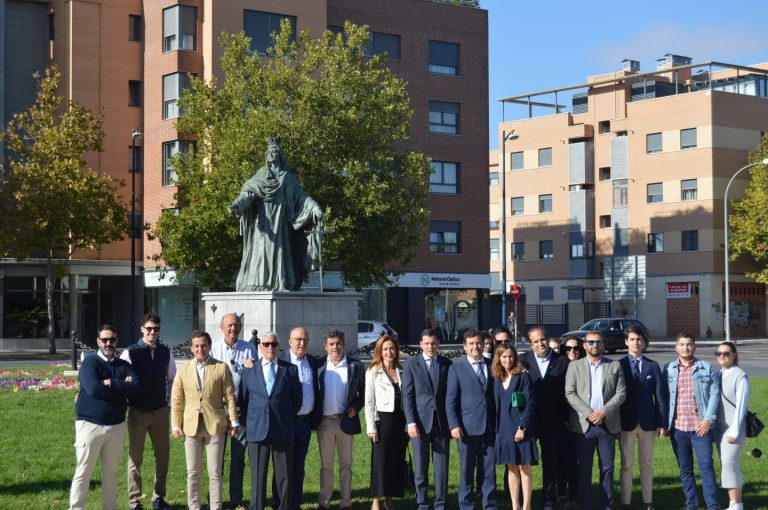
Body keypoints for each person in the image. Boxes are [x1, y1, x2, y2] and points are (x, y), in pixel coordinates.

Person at [229, 136, 323, 292]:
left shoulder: (288, 178)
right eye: (268, 152)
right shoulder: (261, 175)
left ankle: (281, 282)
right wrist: (237, 205)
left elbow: (301, 197)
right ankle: (259, 284)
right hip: (264, 223)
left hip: (282, 224)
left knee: (281, 253)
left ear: (280, 155)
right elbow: (248, 194)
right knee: (262, 252)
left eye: (273, 152)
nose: (270, 154)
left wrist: (314, 207)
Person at [69, 325, 139, 510]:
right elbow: (93, 389)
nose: (109, 343)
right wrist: (121, 388)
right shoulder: (90, 363)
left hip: (116, 426)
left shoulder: (124, 365)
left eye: (112, 340)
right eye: (105, 340)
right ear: (98, 341)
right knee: (84, 471)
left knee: (111, 474)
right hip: (89, 425)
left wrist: (111, 383)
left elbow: (135, 388)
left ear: (117, 341)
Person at [171, 331, 239, 510]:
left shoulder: (221, 367)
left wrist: (234, 422)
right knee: (192, 472)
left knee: (215, 472)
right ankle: (194, 506)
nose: (200, 349)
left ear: (209, 346)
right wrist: (176, 425)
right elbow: (177, 399)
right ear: (191, 348)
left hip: (215, 426)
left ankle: (216, 506)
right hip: (191, 427)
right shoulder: (183, 369)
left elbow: (230, 397)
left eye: (203, 345)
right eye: (196, 346)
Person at [240, 332, 302, 510]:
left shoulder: (290, 370)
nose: (270, 347)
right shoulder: (249, 369)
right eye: (266, 344)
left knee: (284, 476)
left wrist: (285, 416)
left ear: (279, 347)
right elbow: (243, 400)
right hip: (257, 429)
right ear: (260, 347)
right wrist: (252, 419)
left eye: (274, 344)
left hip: (282, 429)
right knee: (258, 477)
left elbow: (297, 400)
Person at [565, 331, 626, 510]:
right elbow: (570, 393)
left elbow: (621, 393)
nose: (595, 345)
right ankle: (586, 505)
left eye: (598, 342)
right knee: (584, 469)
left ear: (604, 345)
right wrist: (589, 413)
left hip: (607, 425)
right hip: (584, 426)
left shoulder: (614, 365)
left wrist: (603, 412)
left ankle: (607, 506)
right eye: (591, 342)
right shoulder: (574, 366)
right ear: (584, 345)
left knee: (607, 468)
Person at [121, 313, 176, 510]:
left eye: (156, 329)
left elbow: (173, 380)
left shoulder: (165, 352)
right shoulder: (130, 353)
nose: (153, 332)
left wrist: (168, 404)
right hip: (138, 411)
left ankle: (158, 498)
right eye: (149, 328)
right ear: (142, 329)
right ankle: (134, 501)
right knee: (135, 458)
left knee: (163, 457)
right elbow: (122, 380)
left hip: (160, 411)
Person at [663, 333, 721, 510]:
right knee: (685, 469)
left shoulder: (705, 367)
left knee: (706, 467)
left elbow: (715, 394)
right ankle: (691, 504)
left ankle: (713, 505)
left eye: (689, 344)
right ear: (676, 347)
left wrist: (708, 420)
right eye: (682, 344)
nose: (685, 347)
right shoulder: (669, 369)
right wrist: (664, 423)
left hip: (701, 428)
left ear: (694, 346)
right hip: (678, 429)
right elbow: (664, 397)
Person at [618, 326, 669, 510]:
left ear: (643, 342)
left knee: (646, 464)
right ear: (626, 342)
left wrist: (662, 423)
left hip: (648, 424)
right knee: (626, 465)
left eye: (638, 339)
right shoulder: (618, 366)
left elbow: (660, 397)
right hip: (626, 424)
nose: (635, 342)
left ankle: (648, 502)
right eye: (632, 339)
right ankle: (625, 502)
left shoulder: (652, 366)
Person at [518, 326, 569, 509]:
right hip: (528, 420)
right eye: (536, 341)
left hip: (554, 421)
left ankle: (548, 500)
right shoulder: (522, 361)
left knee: (551, 463)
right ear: (530, 344)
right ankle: (521, 500)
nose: (541, 343)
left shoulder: (562, 361)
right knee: (522, 462)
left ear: (548, 339)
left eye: (543, 339)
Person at [446, 329, 497, 510]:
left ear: (483, 345)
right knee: (466, 471)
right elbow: (451, 400)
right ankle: (466, 505)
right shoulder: (456, 368)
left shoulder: (493, 364)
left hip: (490, 427)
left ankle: (489, 505)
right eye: (471, 343)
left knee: (489, 471)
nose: (475, 346)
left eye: (478, 343)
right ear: (465, 346)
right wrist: (454, 425)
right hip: (466, 428)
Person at [211, 313, 257, 509]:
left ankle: (236, 499)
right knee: (216, 457)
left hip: (241, 408)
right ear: (221, 327)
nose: (233, 328)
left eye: (236, 325)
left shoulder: (249, 348)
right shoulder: (213, 349)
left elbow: (255, 377)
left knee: (238, 456)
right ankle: (215, 500)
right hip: (218, 408)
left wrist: (251, 367)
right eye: (229, 325)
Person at [315, 330, 365, 510]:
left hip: (346, 421)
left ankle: (346, 502)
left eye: (338, 343)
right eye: (331, 344)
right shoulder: (319, 365)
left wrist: (355, 408)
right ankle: (324, 501)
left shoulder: (355, 366)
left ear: (344, 345)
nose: (335, 347)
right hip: (325, 422)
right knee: (326, 465)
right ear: (325, 347)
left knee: (346, 464)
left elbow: (363, 393)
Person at [402, 328, 451, 510]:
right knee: (421, 467)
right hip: (419, 424)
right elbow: (408, 396)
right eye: (427, 343)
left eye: (434, 343)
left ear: (438, 344)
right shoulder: (411, 364)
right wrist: (411, 422)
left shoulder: (447, 364)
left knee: (441, 468)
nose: (431, 346)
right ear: (421, 345)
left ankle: (441, 503)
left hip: (441, 423)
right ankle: (422, 503)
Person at [274, 326, 320, 510]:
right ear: (289, 342)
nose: (302, 343)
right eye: (298, 339)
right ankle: (280, 502)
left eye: (305, 339)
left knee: (299, 465)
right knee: (282, 465)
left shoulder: (313, 361)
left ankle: (295, 502)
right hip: (285, 423)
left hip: (305, 423)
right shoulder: (280, 359)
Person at [365, 335, 409, 510]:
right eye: (385, 349)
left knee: (395, 460)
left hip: (400, 421)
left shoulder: (402, 370)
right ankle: (376, 499)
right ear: (380, 352)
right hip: (382, 422)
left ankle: (389, 498)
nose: (389, 352)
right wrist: (371, 428)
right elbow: (369, 402)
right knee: (380, 462)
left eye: (391, 349)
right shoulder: (373, 371)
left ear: (396, 351)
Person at [493, 343, 538, 510]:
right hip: (503, 429)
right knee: (511, 467)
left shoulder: (523, 376)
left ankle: (526, 506)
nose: (508, 360)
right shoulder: (496, 378)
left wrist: (522, 427)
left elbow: (530, 404)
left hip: (520, 428)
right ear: (498, 358)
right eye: (504, 356)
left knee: (524, 467)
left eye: (510, 356)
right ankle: (515, 505)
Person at [715, 341, 750, 510]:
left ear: (734, 355)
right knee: (731, 464)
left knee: (728, 463)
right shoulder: (719, 374)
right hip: (719, 428)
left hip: (733, 427)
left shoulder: (739, 375)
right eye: (719, 353)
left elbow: (742, 405)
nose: (722, 356)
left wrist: (735, 430)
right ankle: (737, 504)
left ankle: (734, 504)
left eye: (726, 353)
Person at [559, 336, 584, 506]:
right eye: (568, 348)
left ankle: (575, 495)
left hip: (581, 421)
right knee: (561, 460)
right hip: (561, 420)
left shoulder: (584, 367)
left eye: (576, 348)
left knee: (577, 460)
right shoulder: (560, 367)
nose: (572, 351)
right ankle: (561, 492)